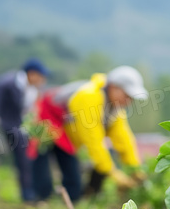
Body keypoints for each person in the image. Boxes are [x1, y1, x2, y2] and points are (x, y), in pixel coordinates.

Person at [60, 66, 149, 196]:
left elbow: (124, 140)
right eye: (127, 96)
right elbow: (94, 143)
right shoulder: (89, 97)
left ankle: (89, 196)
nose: (128, 102)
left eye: (131, 98)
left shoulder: (115, 108)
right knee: (70, 186)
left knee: (102, 161)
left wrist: (136, 170)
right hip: (54, 136)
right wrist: (115, 175)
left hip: (71, 142)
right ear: (114, 87)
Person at [0, 58, 49, 201]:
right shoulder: (8, 83)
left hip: (15, 126)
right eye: (41, 76)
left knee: (24, 159)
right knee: (9, 157)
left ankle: (27, 193)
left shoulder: (28, 89)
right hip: (3, 124)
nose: (42, 80)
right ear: (32, 74)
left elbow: (25, 111)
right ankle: (25, 193)